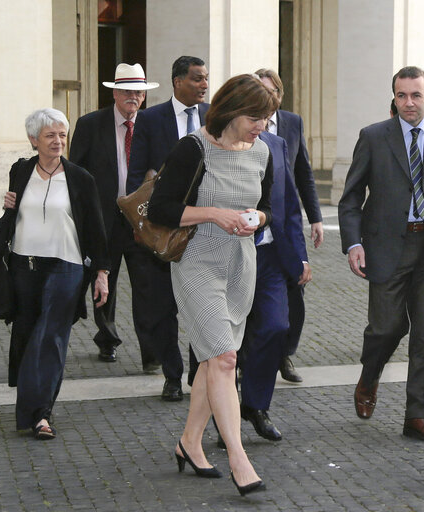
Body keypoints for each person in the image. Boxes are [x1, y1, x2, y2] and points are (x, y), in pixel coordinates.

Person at [147, 74, 277, 496]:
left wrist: (259, 219)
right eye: (256, 118)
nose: (262, 126)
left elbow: (268, 207)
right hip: (197, 262)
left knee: (211, 359)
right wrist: (213, 214)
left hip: (242, 264)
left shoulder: (262, 153)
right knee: (223, 358)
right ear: (232, 110)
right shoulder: (194, 148)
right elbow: (162, 209)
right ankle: (240, 460)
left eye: (267, 118)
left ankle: (188, 442)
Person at [338, 66, 424, 441]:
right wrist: (354, 243)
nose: (408, 102)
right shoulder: (373, 137)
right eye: (401, 95)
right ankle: (369, 376)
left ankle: (416, 416)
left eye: (415, 95)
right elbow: (351, 197)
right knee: (387, 328)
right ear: (394, 97)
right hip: (386, 246)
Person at [2, 108, 110, 439]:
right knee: (28, 332)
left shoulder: (80, 178)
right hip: (25, 264)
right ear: (34, 140)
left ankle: (40, 414)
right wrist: (8, 205)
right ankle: (35, 405)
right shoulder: (20, 171)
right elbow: (14, 214)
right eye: (50, 135)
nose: (58, 141)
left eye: (62, 135)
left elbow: (95, 227)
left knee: (51, 334)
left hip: (68, 264)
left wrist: (102, 273)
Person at [126, 55, 210, 402]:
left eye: (206, 79)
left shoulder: (213, 118)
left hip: (204, 228)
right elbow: (136, 175)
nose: (204, 84)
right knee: (162, 309)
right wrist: (139, 225)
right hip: (163, 229)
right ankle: (171, 375)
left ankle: (196, 372)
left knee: (200, 306)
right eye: (197, 79)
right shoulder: (150, 119)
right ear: (177, 81)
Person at [69, 62, 161, 372]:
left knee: (146, 288)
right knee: (103, 282)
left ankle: (151, 353)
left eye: (138, 92)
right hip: (103, 219)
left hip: (141, 222)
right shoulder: (90, 125)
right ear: (115, 93)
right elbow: (76, 173)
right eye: (127, 91)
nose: (133, 97)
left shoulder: (152, 125)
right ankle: (107, 339)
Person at [237, 128, 310, 441]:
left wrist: (300, 257)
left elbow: (289, 203)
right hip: (229, 254)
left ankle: (255, 404)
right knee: (223, 343)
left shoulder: (277, 143)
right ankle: (216, 414)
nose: (263, 119)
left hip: (269, 254)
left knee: (277, 326)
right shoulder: (213, 141)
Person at [254, 68, 322, 383]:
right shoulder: (239, 130)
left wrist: (316, 217)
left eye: (271, 91)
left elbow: (303, 172)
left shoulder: (291, 124)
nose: (266, 98)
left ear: (279, 95)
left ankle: (285, 355)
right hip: (255, 231)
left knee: (295, 295)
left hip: (287, 223)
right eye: (259, 90)